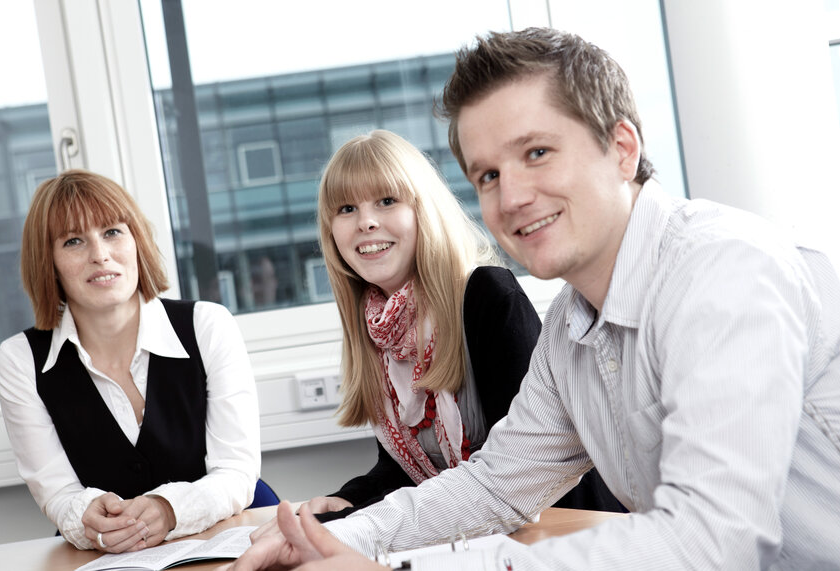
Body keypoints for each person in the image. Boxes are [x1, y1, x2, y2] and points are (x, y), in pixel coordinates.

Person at [223, 27, 840, 571]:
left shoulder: (721, 270)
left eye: (537, 152)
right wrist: (338, 540)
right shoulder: (570, 328)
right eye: (487, 175)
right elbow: (495, 487)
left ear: (622, 149)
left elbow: (713, 543)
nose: (511, 197)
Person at [260, 129, 622, 531]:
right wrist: (346, 500)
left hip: (563, 530)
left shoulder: (487, 296)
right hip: (482, 533)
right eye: (346, 208)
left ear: (423, 211)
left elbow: (520, 474)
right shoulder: (378, 330)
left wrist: (348, 525)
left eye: (386, 201)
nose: (366, 222)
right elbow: (405, 470)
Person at [0, 169, 262, 553]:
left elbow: (236, 472)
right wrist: (87, 516)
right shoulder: (19, 361)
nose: (99, 255)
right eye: (73, 241)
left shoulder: (208, 325)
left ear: (136, 240)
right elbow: (60, 495)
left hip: (226, 536)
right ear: (48, 261)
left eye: (112, 232)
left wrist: (170, 510)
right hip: (104, 554)